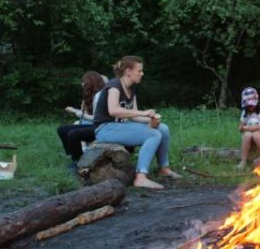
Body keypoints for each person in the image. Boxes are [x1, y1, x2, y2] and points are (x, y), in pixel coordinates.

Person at [93, 56, 180, 189]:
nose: (142, 74)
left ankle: (164, 168)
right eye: (139, 71)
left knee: (163, 129)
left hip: (119, 126)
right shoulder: (114, 85)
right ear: (128, 71)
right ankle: (140, 177)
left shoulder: (131, 88)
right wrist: (143, 112)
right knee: (153, 134)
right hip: (105, 129)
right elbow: (113, 110)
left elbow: (135, 116)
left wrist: (150, 119)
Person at [56, 71, 105, 167]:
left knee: (73, 134)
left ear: (90, 82)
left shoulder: (100, 95)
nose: (82, 84)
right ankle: (73, 156)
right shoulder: (95, 94)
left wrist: (79, 114)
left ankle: (79, 163)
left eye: (84, 82)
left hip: (102, 127)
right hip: (96, 124)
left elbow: (97, 118)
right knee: (62, 130)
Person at [237, 87, 260, 169]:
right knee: (247, 135)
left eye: (252, 105)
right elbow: (240, 128)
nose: (250, 107)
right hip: (250, 138)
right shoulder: (245, 112)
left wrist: (256, 128)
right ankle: (243, 161)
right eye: (248, 106)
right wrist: (244, 128)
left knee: (256, 134)